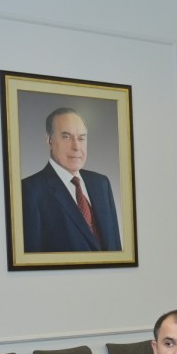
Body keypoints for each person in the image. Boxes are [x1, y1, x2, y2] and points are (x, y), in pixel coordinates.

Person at [21, 107, 122, 252]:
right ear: (49, 141)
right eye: (66, 137)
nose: (76, 146)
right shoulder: (29, 191)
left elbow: (116, 247)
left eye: (81, 138)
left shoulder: (101, 184)